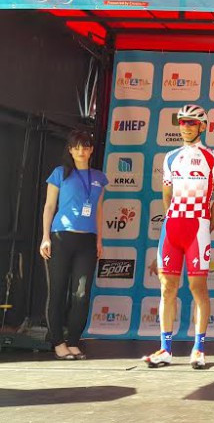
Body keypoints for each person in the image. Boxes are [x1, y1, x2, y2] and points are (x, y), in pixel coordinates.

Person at [142, 104, 214, 369]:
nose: (186, 127)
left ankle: (199, 348)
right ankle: (165, 348)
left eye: (191, 122)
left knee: (197, 287)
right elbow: (166, 195)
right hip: (172, 228)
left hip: (198, 228)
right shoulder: (170, 157)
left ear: (203, 126)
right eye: (182, 122)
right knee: (167, 287)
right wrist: (173, 219)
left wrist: (206, 226)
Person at [39, 129, 108, 360]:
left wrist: (99, 239)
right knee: (57, 292)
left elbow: (98, 210)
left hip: (87, 241)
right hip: (61, 238)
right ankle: (58, 342)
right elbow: (49, 206)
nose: (81, 151)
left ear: (91, 150)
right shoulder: (60, 173)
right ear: (70, 150)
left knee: (81, 293)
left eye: (85, 146)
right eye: (76, 147)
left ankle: (74, 341)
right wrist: (45, 237)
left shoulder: (99, 177)